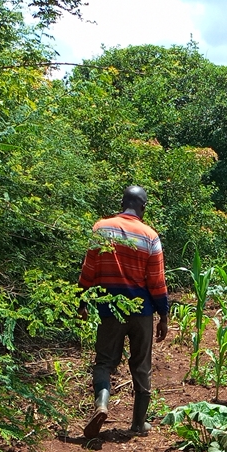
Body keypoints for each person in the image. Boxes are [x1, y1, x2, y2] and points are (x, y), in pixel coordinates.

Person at [78, 185, 169, 439]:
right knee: (141, 366)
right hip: (141, 312)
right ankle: (139, 425)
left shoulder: (101, 228)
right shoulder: (150, 236)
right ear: (144, 207)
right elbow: (157, 280)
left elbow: (89, 269)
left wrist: (81, 301)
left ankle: (102, 404)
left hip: (110, 310)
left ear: (122, 202)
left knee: (104, 362)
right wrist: (163, 315)